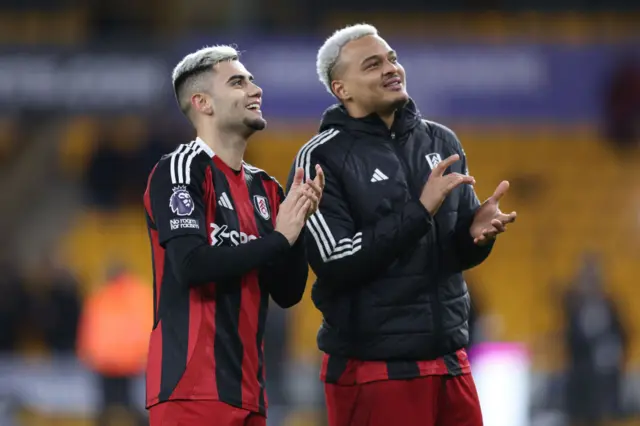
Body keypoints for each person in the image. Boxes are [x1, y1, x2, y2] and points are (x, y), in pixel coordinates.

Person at [288, 24, 517, 426]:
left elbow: (451, 254)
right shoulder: (320, 158)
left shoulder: (441, 141)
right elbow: (334, 260)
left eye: (392, 58)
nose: (392, 68)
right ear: (343, 90)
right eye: (373, 64)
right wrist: (419, 210)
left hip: (450, 361)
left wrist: (474, 235)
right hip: (376, 369)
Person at [143, 45, 323, 426]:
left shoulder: (267, 189)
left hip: (250, 391)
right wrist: (278, 239)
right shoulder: (180, 169)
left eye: (253, 81)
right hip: (190, 391)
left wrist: (298, 225)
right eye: (238, 82)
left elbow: (287, 293)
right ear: (203, 103)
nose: (255, 90)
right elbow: (191, 265)